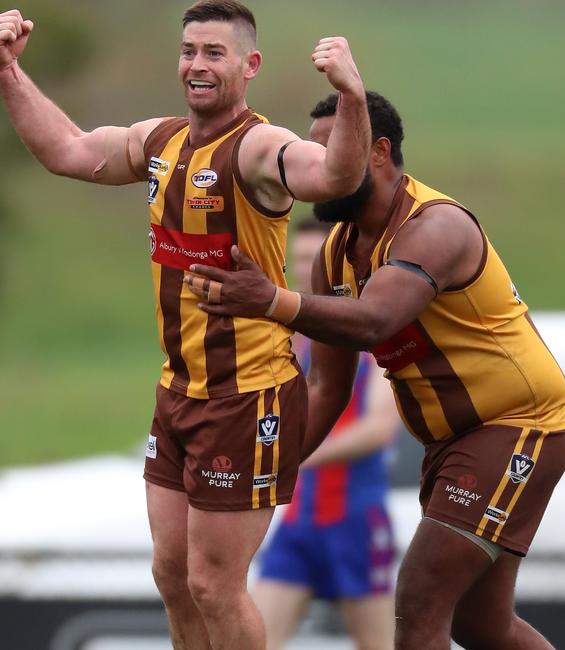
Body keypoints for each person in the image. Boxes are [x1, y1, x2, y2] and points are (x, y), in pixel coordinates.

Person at [0, 4, 370, 649]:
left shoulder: (258, 147)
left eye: (214, 53)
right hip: (178, 392)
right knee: (172, 575)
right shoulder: (161, 140)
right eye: (189, 51)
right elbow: (66, 150)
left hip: (246, 395)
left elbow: (336, 175)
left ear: (249, 66)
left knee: (213, 584)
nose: (197, 65)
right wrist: (7, 71)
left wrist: (352, 96)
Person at [186, 91, 565, 650]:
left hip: (516, 426)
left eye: (329, 148)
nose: (313, 169)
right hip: (449, 443)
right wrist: (269, 470)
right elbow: (328, 388)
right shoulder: (334, 254)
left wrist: (271, 300)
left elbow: (374, 320)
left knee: (418, 601)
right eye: (308, 154)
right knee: (478, 625)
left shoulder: (436, 226)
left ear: (378, 153)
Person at [253, 219, 399, 650]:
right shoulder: (287, 338)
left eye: (313, 259)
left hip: (354, 519)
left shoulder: (369, 333)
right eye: (297, 259)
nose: (304, 269)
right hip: (299, 521)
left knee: (379, 644)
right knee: (254, 638)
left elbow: (380, 427)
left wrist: (300, 454)